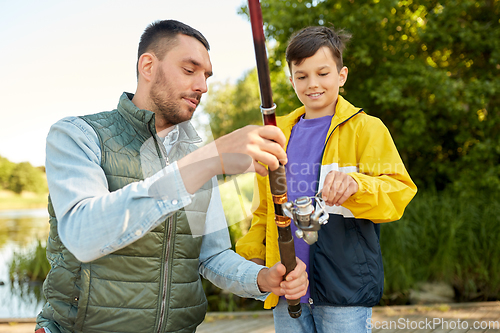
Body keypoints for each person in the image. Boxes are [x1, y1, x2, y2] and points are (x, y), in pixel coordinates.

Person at [35, 20, 309, 333]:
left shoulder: (199, 157)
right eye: (190, 70)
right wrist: (205, 162)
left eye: (206, 76)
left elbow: (212, 256)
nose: (203, 86)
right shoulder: (77, 135)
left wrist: (261, 279)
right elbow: (83, 235)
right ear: (148, 66)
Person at [236, 26, 417, 333]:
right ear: (291, 79)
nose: (313, 84)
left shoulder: (367, 129)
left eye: (322, 73)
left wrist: (359, 184)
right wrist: (253, 262)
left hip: (345, 291)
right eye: (302, 76)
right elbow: (265, 211)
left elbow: (399, 191)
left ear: (341, 75)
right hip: (287, 290)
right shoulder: (276, 135)